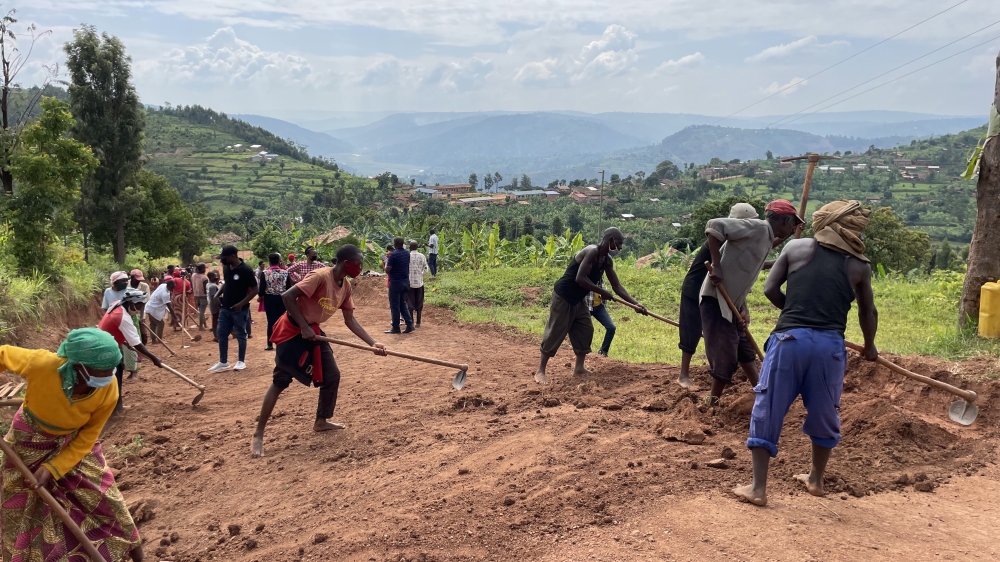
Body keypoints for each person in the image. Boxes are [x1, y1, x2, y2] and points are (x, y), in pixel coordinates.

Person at [733, 200, 879, 507]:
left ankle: (758, 489)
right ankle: (816, 480)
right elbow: (868, 311)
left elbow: (770, 290)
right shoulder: (859, 265)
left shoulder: (796, 248)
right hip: (830, 348)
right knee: (825, 411)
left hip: (789, 341)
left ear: (823, 224)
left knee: (769, 407)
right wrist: (870, 346)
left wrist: (797, 311)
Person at [0, 328, 144, 561]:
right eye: (101, 371)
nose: (108, 377)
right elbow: (3, 354)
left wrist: (53, 468)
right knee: (24, 509)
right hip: (27, 442)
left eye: (112, 370)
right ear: (78, 366)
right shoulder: (43, 364)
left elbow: (88, 437)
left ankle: (138, 555)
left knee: (109, 502)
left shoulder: (109, 389)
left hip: (74, 445)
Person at [251, 244, 386, 458]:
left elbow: (350, 320)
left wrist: (373, 343)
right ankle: (258, 434)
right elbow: (288, 297)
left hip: (314, 332)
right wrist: (303, 326)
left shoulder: (346, 286)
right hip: (292, 331)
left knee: (332, 375)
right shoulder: (320, 276)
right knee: (280, 381)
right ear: (346, 263)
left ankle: (321, 421)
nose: (360, 268)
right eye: (359, 264)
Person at [700, 200, 801, 404]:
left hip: (733, 304)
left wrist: (788, 241)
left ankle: (761, 390)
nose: (793, 227)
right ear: (784, 220)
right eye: (792, 223)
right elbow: (714, 225)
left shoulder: (764, 236)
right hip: (716, 300)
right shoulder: (758, 227)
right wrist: (716, 266)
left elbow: (761, 257)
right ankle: (712, 403)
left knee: (745, 351)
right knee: (725, 355)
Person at [535, 227, 647, 384]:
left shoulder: (607, 260)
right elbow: (580, 278)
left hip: (578, 299)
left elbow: (617, 286)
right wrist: (602, 291)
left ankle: (579, 368)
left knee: (585, 329)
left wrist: (635, 304)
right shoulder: (592, 252)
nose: (620, 248)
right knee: (555, 331)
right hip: (564, 296)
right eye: (619, 243)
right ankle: (540, 371)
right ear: (610, 240)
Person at [677, 203, 760, 390]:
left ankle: (750, 378)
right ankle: (684, 375)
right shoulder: (720, 240)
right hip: (696, 287)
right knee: (691, 329)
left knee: (734, 332)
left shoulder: (740, 243)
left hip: (720, 291)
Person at [98, 289, 164, 414]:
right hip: (106, 348)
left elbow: (114, 328)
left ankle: (118, 407)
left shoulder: (117, 305)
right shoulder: (123, 317)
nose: (140, 309)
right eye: (139, 306)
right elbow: (137, 344)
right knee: (115, 378)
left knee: (117, 375)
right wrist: (154, 358)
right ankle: (114, 409)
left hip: (107, 342)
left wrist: (125, 340)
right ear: (131, 303)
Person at [209, 245, 257, 373]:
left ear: (233, 256)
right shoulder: (226, 268)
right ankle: (223, 362)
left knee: (240, 335)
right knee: (221, 334)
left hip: (239, 310)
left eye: (224, 257)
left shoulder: (246, 270)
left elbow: (255, 289)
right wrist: (217, 295)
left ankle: (241, 361)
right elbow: (226, 284)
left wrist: (241, 303)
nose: (222, 260)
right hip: (225, 308)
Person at [259, 252, 290, 350]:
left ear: (269, 261)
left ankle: (269, 344)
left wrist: (260, 297)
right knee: (282, 320)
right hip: (282, 299)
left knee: (271, 321)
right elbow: (289, 288)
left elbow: (261, 289)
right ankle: (282, 342)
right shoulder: (285, 273)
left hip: (269, 299)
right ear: (279, 261)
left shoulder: (265, 273)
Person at [384, 237, 415, 334]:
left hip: (395, 283)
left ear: (394, 244)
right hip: (405, 282)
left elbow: (387, 270)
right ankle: (410, 324)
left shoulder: (393, 255)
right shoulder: (407, 253)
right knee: (403, 304)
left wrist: (386, 262)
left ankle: (396, 327)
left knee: (395, 306)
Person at [586, 281, 616, 357]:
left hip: (599, 306)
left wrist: (606, 294)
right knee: (588, 329)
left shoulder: (600, 277)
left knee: (611, 327)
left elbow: (602, 288)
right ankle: (585, 351)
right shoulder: (584, 277)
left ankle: (603, 352)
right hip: (586, 306)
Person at [406, 240, 429, 327]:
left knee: (410, 303)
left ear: (410, 247)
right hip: (419, 283)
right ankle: (418, 322)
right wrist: (421, 275)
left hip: (410, 283)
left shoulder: (407, 256)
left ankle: (411, 322)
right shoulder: (422, 256)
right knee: (419, 303)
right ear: (417, 247)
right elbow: (426, 268)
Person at [144, 277, 174, 341]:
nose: (172, 290)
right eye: (171, 288)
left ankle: (153, 340)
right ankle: (159, 340)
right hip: (153, 309)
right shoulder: (165, 294)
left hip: (150, 306)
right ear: (168, 286)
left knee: (153, 324)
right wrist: (175, 317)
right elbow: (169, 306)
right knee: (161, 324)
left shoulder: (163, 285)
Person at [128, 269, 151, 345]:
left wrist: (142, 317)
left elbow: (145, 302)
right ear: (131, 277)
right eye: (137, 279)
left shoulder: (144, 286)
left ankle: (142, 348)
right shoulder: (125, 285)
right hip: (127, 314)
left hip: (140, 312)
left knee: (143, 334)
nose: (138, 281)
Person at [191, 263, 209, 331]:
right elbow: (205, 288)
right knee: (202, 311)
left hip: (196, 295)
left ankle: (205, 325)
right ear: (202, 269)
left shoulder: (193, 275)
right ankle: (201, 326)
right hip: (203, 296)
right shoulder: (204, 277)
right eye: (204, 268)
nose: (205, 269)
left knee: (200, 310)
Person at [207, 271, 221, 343]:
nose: (217, 278)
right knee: (217, 321)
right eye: (215, 277)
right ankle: (217, 336)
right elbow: (214, 297)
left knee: (216, 320)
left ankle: (217, 335)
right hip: (215, 306)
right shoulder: (213, 286)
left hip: (213, 305)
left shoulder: (209, 285)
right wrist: (219, 305)